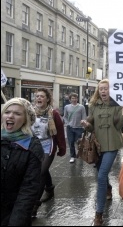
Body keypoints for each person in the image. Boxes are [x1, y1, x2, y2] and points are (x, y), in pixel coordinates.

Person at [80, 79, 123, 226]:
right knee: (100, 172)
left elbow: (118, 126)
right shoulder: (94, 106)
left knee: (100, 176)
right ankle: (108, 188)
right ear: (98, 91)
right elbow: (90, 125)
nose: (103, 91)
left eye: (106, 88)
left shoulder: (117, 105)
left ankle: (98, 214)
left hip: (112, 145)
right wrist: (86, 124)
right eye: (101, 89)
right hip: (97, 145)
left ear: (111, 90)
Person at [1, 98, 44, 226]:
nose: (10, 116)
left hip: (14, 213)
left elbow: (29, 189)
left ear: (26, 119)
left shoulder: (32, 146)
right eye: (7, 112)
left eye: (17, 113)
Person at [31, 88, 66, 217]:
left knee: (40, 173)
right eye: (37, 96)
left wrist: (62, 148)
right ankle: (50, 188)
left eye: (41, 96)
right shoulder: (30, 112)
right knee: (43, 170)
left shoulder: (54, 113)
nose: (39, 98)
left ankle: (34, 205)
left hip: (48, 145)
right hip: (34, 145)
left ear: (47, 99)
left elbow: (60, 132)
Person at [63, 92, 87, 163]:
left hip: (79, 127)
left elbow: (84, 116)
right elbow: (65, 116)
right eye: (72, 98)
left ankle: (80, 154)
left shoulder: (81, 107)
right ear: (70, 99)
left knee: (79, 142)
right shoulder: (67, 107)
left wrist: (83, 124)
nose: (74, 99)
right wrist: (67, 123)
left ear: (77, 99)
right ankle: (72, 156)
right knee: (71, 142)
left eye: (75, 98)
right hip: (70, 128)